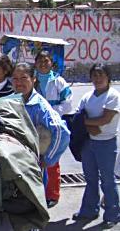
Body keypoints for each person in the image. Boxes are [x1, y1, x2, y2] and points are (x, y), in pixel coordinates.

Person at [72, 64, 120, 228]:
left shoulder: (113, 96)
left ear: (108, 77)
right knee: (90, 179)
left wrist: (86, 123)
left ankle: (113, 214)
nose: (98, 79)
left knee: (108, 180)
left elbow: (105, 120)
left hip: (106, 143)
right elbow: (78, 117)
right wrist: (92, 126)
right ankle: (89, 210)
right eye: (95, 75)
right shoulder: (87, 96)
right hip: (89, 143)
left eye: (101, 75)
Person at [11, 62, 70, 177]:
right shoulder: (10, 101)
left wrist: (47, 159)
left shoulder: (40, 106)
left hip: (33, 168)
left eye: (24, 78)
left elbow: (61, 132)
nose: (19, 82)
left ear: (33, 79)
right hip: (14, 162)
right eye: (15, 78)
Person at [34, 50, 73, 208]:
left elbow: (68, 104)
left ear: (52, 63)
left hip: (53, 128)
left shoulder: (59, 81)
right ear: (35, 63)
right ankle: (37, 193)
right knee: (33, 161)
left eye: (46, 61)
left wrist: (49, 112)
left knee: (52, 161)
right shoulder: (31, 79)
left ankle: (52, 195)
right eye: (40, 61)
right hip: (34, 127)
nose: (43, 64)